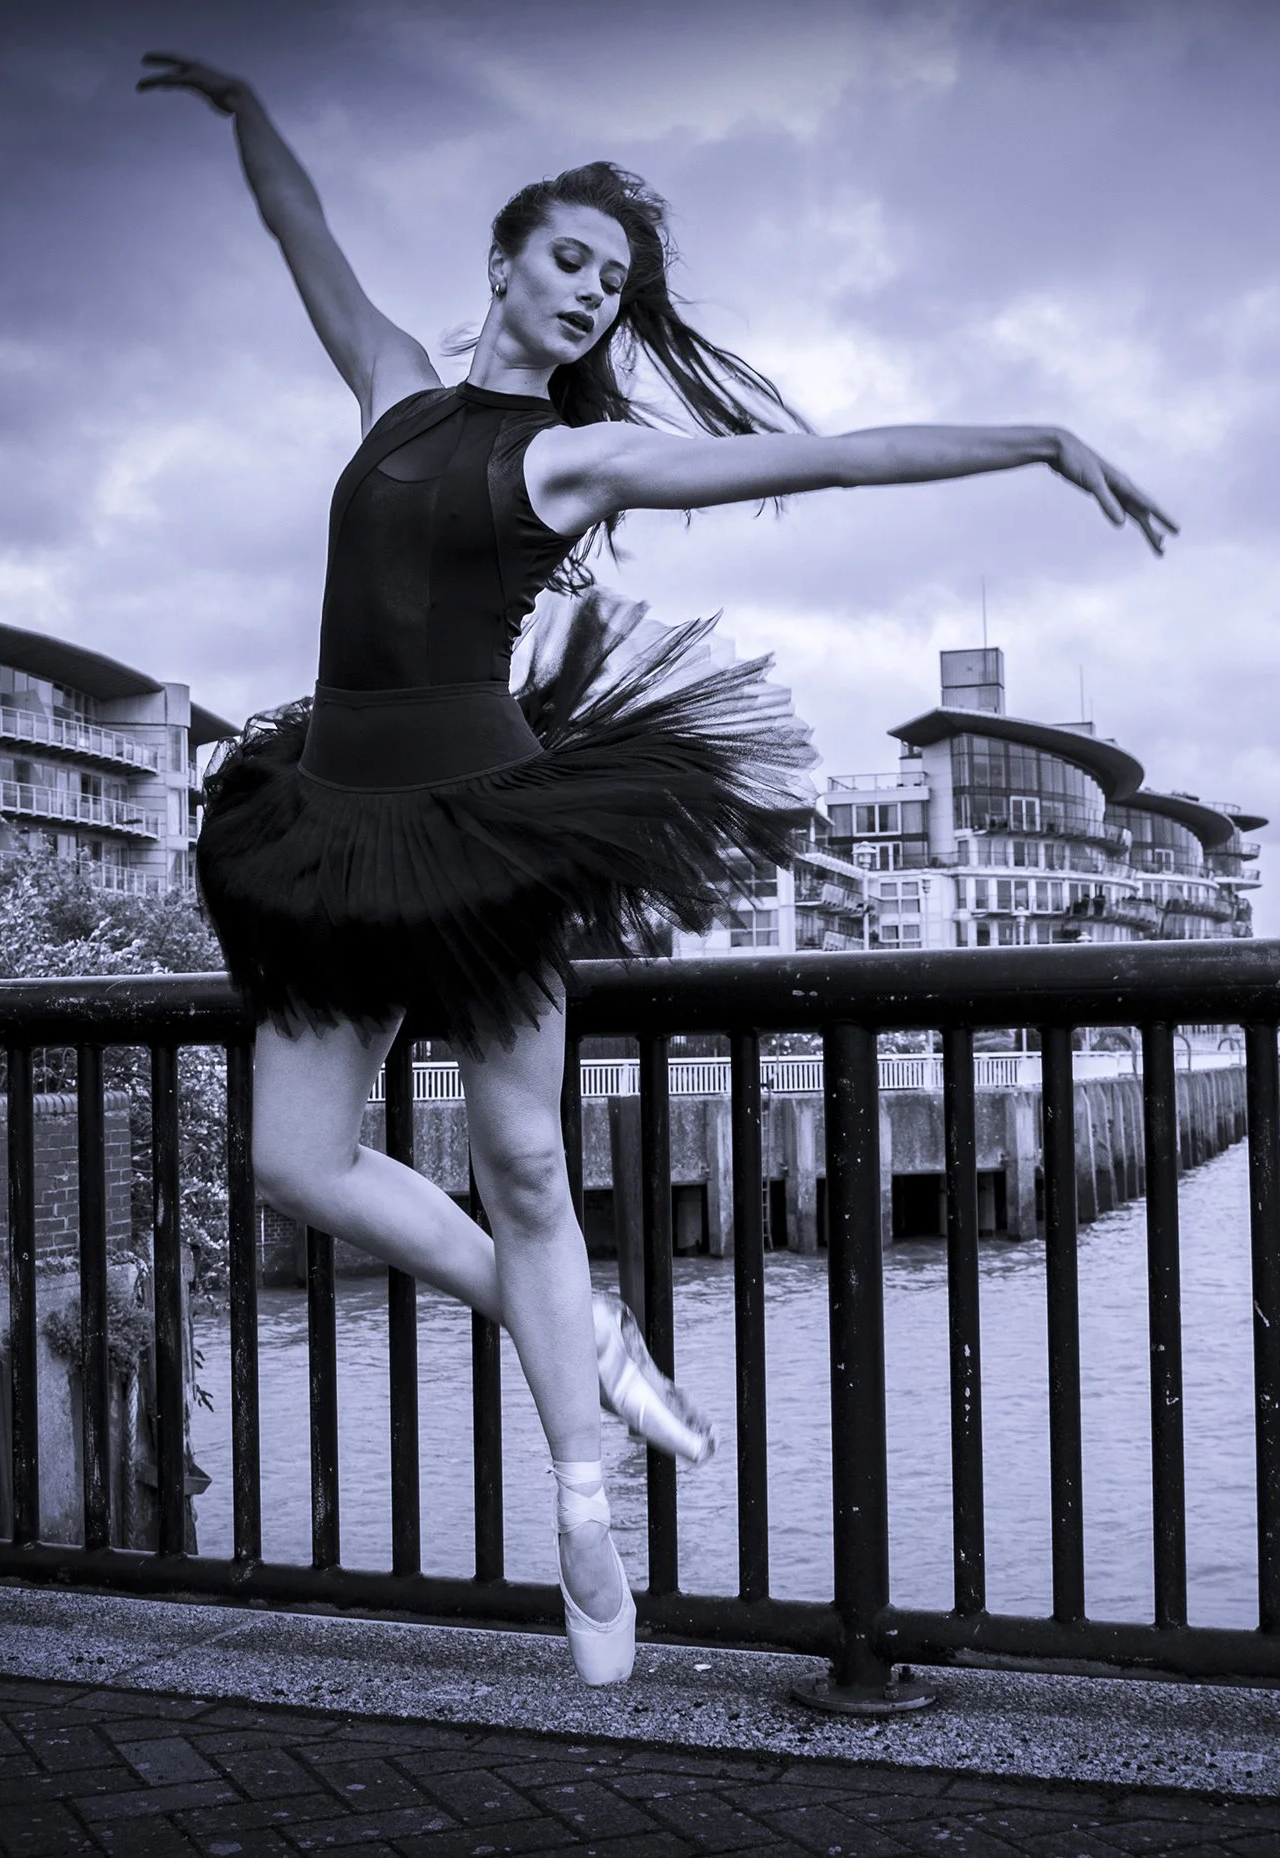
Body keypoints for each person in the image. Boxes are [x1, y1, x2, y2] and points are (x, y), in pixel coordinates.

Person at [140, 51, 1175, 1686]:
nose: (588, 295)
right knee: (291, 1158)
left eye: (612, 285)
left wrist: (1040, 438)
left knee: (529, 1166)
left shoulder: (575, 458)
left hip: (483, 827)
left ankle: (581, 1510)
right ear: (504, 259)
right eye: (568, 260)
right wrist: (249, 108)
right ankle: (587, 1338)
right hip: (329, 818)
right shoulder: (394, 387)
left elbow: (828, 460)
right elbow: (303, 235)